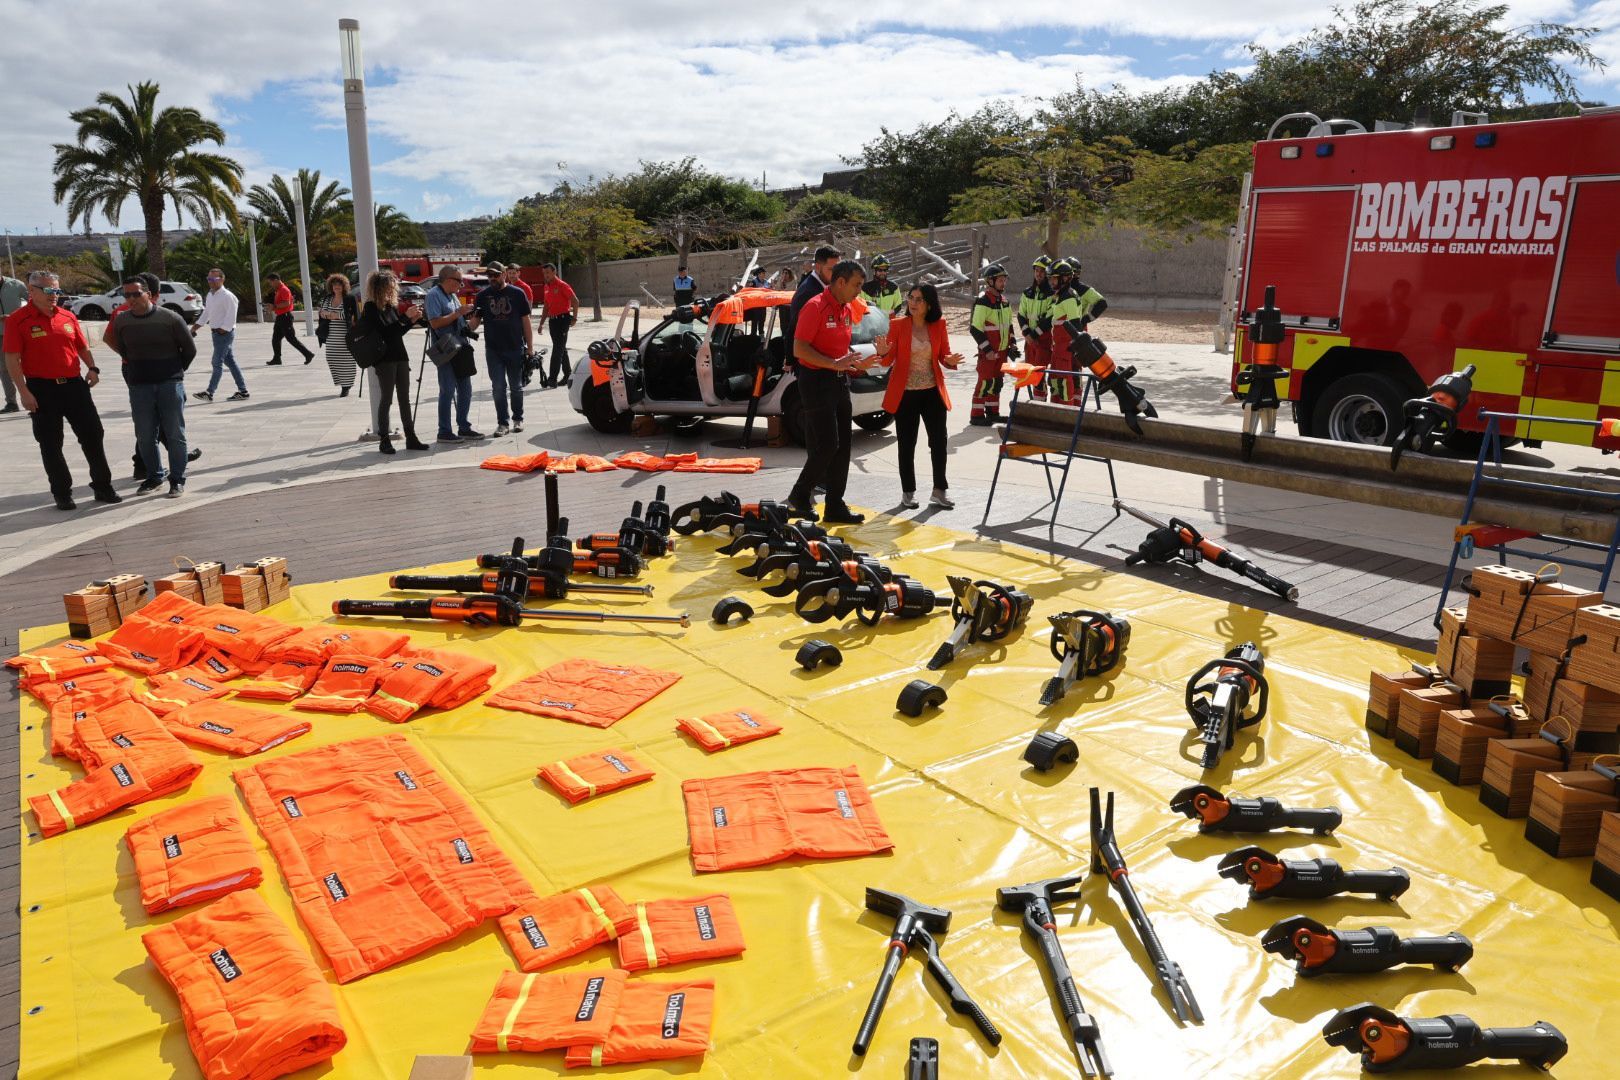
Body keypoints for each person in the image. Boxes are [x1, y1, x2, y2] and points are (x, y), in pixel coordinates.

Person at [2, 271, 121, 509]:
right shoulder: (18, 320)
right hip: (42, 389)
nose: (53, 296)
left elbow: (81, 346)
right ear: (31, 291)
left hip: (75, 386)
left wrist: (93, 368)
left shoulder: (67, 316)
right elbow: (12, 359)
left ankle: (102, 486)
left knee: (93, 435)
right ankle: (62, 492)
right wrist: (24, 392)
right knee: (50, 443)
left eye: (56, 290)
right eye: (48, 291)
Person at [784, 259, 885, 525]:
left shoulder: (845, 308)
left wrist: (855, 365)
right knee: (827, 445)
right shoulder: (814, 306)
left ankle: (834, 505)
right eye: (856, 285)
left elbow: (839, 352)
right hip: (815, 381)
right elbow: (799, 349)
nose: (859, 292)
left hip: (839, 381)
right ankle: (799, 494)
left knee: (843, 447)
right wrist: (832, 364)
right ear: (840, 282)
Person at [106, 271, 202, 480]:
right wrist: (135, 367)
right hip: (140, 385)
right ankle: (154, 476)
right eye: (127, 295)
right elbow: (122, 347)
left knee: (175, 434)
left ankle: (177, 479)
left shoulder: (170, 318)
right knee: (145, 436)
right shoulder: (121, 320)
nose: (131, 299)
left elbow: (189, 350)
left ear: (148, 294)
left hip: (169, 383)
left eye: (136, 294)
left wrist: (174, 371)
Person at [879, 283, 962, 509]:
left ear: (929, 305)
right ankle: (908, 492)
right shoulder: (897, 325)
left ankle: (939, 490)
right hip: (905, 394)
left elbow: (943, 355)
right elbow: (886, 361)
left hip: (932, 392)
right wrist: (883, 351)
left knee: (939, 442)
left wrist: (949, 361)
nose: (913, 303)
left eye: (919, 300)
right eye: (911, 298)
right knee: (907, 444)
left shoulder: (938, 325)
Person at [355, 271, 429, 455]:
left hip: (400, 356)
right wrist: (405, 318)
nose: (392, 290)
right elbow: (385, 333)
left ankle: (411, 437)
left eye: (393, 287)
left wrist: (411, 321)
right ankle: (384, 440)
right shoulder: (371, 308)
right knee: (386, 399)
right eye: (388, 287)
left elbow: (397, 333)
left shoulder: (391, 307)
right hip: (384, 359)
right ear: (378, 288)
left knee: (405, 399)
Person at [473, 261, 535, 435]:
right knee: (498, 387)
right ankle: (503, 423)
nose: (492, 278)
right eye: (489, 276)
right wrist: (462, 325)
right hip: (493, 349)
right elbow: (475, 321)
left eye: (496, 275)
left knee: (516, 386)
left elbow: (525, 321)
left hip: (515, 347)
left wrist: (530, 347)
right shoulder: (482, 296)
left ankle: (518, 419)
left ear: (504, 274)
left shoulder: (517, 293)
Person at [424, 265, 482, 443]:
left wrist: (475, 319)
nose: (462, 284)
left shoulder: (453, 295)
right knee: (447, 390)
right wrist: (458, 312)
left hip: (460, 348)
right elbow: (434, 323)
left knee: (466, 390)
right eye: (459, 280)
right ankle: (444, 431)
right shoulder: (433, 295)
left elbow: (460, 323)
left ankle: (464, 427)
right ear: (448, 279)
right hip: (446, 350)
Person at [1042, 258, 1109, 404]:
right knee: (1060, 379)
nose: (1051, 283)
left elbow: (1074, 325)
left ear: (1065, 278)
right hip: (1062, 347)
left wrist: (1086, 320)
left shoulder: (1068, 298)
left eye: (1054, 279)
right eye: (1050, 279)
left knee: (1064, 380)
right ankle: (1065, 408)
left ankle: (1067, 410)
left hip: (1064, 348)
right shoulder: (1063, 295)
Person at [968, 265, 1016, 425]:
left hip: (1002, 352)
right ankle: (976, 415)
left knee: (997, 383)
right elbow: (975, 328)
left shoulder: (1004, 302)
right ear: (990, 281)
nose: (1003, 283)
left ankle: (992, 413)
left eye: (1004, 280)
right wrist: (987, 349)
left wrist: (1013, 345)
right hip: (989, 352)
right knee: (985, 382)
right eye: (1000, 280)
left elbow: (1009, 326)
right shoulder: (983, 301)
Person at [190, 266, 247, 401]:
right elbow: (207, 313)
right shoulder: (210, 295)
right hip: (216, 334)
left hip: (224, 334)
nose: (211, 281)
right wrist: (195, 328)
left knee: (216, 362)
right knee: (230, 362)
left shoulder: (228, 296)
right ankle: (243, 391)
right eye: (209, 279)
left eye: (214, 278)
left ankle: (209, 392)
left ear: (222, 279)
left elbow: (232, 315)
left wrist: (224, 329)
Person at [782, 245, 840, 351]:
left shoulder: (826, 286)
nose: (837, 274)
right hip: (811, 361)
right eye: (832, 270)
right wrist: (790, 362)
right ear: (818, 267)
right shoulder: (808, 293)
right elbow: (794, 331)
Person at [1016, 255, 1053, 408]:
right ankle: (1038, 403)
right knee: (1032, 373)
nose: (1039, 274)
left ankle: (1040, 405)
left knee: (1039, 374)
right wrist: (1027, 334)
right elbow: (1021, 315)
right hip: (1030, 340)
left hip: (1044, 339)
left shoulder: (1052, 294)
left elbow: (1049, 319)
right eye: (1037, 270)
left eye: (1042, 271)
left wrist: (1034, 334)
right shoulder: (1027, 293)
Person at [538, 263, 578, 388]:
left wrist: (575, 318)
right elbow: (546, 306)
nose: (546, 275)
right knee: (560, 348)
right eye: (544, 273)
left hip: (563, 320)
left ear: (554, 272)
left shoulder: (562, 285)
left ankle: (552, 378)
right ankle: (568, 374)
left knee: (557, 349)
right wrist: (541, 323)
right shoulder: (546, 287)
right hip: (552, 321)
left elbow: (575, 301)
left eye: (548, 273)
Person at [318, 273, 358, 397]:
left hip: (346, 334)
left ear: (344, 285)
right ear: (331, 286)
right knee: (331, 358)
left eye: (339, 284)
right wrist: (331, 315)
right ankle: (343, 383)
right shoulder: (328, 298)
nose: (337, 286)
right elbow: (321, 313)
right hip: (331, 334)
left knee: (347, 360)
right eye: (334, 284)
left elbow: (353, 316)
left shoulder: (350, 298)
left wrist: (334, 315)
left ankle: (346, 386)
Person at [265, 272, 313, 365]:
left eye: (270, 282)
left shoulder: (284, 290)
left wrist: (274, 306)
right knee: (276, 339)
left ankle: (308, 354)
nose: (270, 284)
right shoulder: (278, 290)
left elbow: (286, 303)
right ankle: (277, 358)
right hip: (280, 317)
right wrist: (272, 307)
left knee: (291, 339)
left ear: (275, 280)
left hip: (285, 317)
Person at [1, 273, 28, 412]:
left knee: (30, 364)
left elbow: (34, 301)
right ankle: (11, 403)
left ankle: (37, 398)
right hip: (1, 335)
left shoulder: (17, 285)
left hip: (21, 331)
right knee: (4, 369)